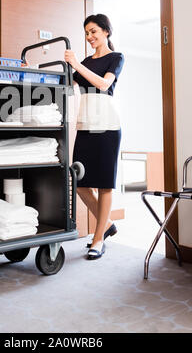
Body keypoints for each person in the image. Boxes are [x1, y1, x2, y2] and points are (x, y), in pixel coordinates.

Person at [65, 14, 124, 260]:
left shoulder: (116, 58)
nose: (89, 37)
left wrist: (77, 65)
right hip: (86, 125)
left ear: (106, 32)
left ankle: (98, 239)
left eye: (93, 32)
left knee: (104, 183)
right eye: (87, 33)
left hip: (107, 125)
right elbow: (68, 84)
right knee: (80, 182)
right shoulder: (87, 61)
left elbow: (102, 84)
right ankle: (107, 223)